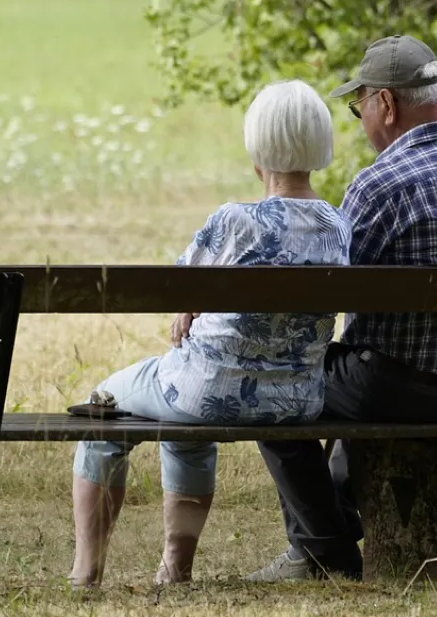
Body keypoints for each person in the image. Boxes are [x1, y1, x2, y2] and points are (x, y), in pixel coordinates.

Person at [245, 35, 437, 582]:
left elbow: (329, 295)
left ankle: (324, 549)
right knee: (359, 365)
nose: (361, 122)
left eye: (360, 109)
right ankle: (335, 528)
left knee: (272, 382)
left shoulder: (379, 185)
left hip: (391, 389)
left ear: (386, 104)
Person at [68, 79, 353, 588]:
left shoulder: (234, 221)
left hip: (205, 391)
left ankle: (86, 571)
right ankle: (174, 569)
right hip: (296, 400)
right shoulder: (338, 226)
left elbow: (177, 288)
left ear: (257, 148)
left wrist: (190, 306)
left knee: (103, 405)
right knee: (185, 418)